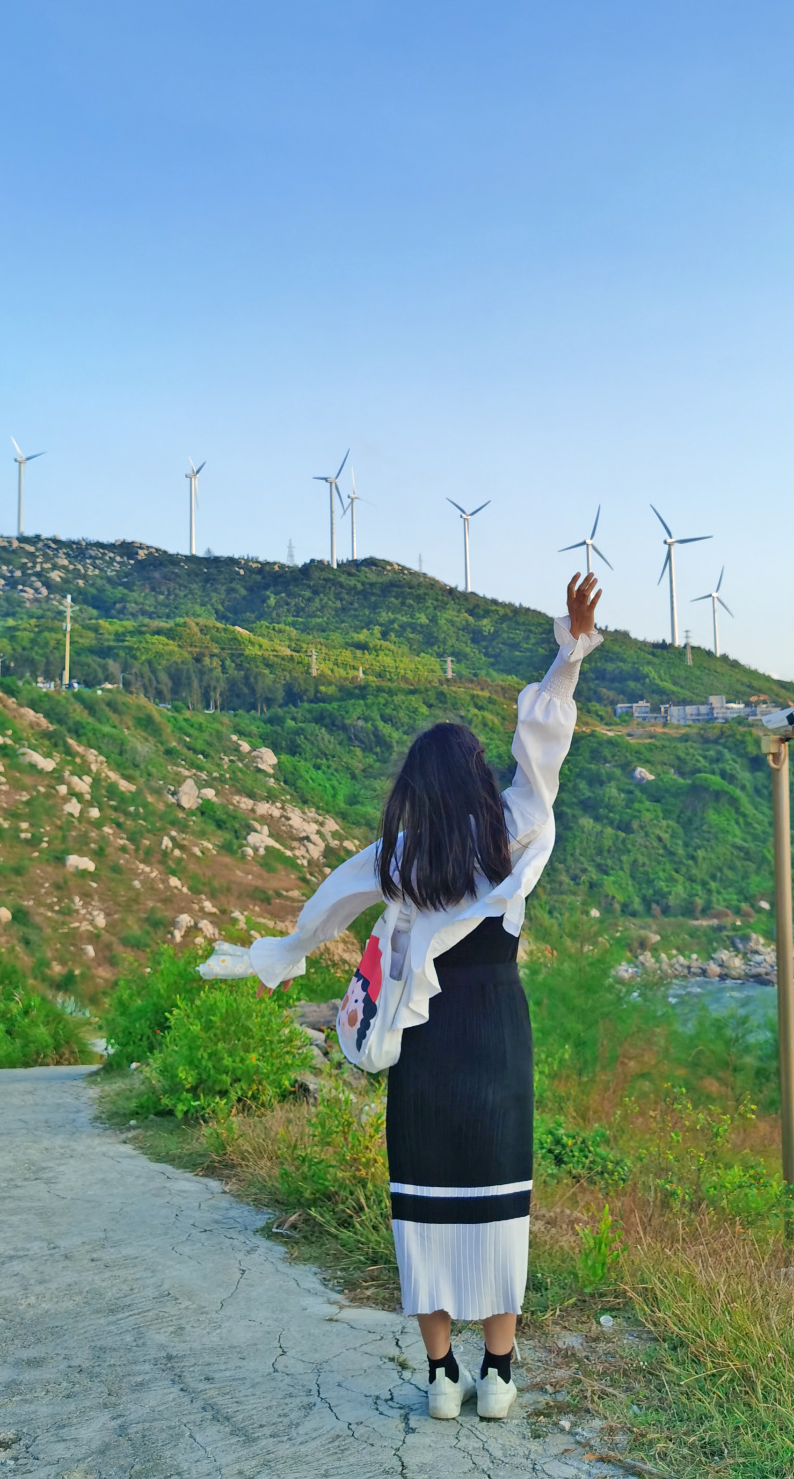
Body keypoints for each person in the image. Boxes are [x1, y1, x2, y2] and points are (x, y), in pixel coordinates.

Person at [243, 574, 603, 1421]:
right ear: (477, 778)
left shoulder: (399, 855)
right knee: (495, 1206)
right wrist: (569, 651)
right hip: (496, 1033)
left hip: (425, 1041)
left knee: (426, 1207)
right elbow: (542, 741)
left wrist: (282, 954)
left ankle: (442, 1376)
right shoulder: (513, 827)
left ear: (415, 786)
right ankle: (499, 1374)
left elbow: (326, 905)